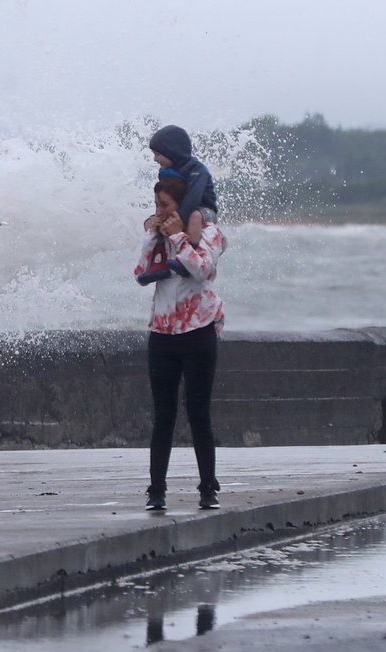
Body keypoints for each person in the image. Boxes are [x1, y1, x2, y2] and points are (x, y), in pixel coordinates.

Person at [134, 176, 227, 510]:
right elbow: (141, 272)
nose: (159, 213)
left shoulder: (209, 233)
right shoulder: (158, 235)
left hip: (198, 332)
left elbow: (201, 269)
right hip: (162, 334)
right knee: (163, 414)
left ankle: (208, 488)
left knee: (198, 411)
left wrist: (178, 237)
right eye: (156, 206)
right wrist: (152, 235)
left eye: (165, 206)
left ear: (182, 207)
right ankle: (156, 490)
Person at [145, 125, 218, 279]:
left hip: (204, 210)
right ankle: (157, 263)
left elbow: (194, 197)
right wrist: (160, 216)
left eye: (158, 154)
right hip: (181, 209)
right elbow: (162, 196)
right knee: (156, 221)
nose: (155, 159)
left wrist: (178, 218)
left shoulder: (197, 170)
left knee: (195, 217)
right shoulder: (164, 171)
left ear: (172, 152)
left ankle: (188, 257)